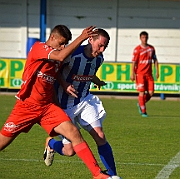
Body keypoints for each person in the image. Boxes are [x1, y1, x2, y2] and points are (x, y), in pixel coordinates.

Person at [0, 25, 113, 179]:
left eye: (65, 44)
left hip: (48, 108)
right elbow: (61, 57)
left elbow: (74, 69)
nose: (63, 47)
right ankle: (52, 144)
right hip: (26, 106)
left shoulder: (64, 57)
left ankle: (97, 174)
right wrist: (81, 38)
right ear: (52, 37)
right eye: (61, 43)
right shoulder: (39, 48)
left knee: (74, 133)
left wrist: (97, 81)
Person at [43, 28, 121, 178]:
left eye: (105, 46)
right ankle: (51, 143)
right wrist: (64, 84)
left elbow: (88, 72)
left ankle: (112, 176)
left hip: (84, 100)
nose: (102, 49)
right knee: (69, 151)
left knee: (100, 136)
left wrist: (96, 80)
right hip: (64, 106)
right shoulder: (72, 54)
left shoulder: (99, 59)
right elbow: (54, 70)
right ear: (90, 40)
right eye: (100, 45)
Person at [130, 31, 159, 117]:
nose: (144, 39)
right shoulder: (137, 50)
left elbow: (155, 60)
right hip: (140, 74)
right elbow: (134, 62)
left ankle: (140, 103)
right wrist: (132, 73)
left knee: (151, 93)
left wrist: (157, 71)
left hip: (149, 74)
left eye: (146, 37)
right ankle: (143, 111)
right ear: (140, 38)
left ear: (147, 38)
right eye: (143, 37)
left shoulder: (151, 48)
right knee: (141, 92)